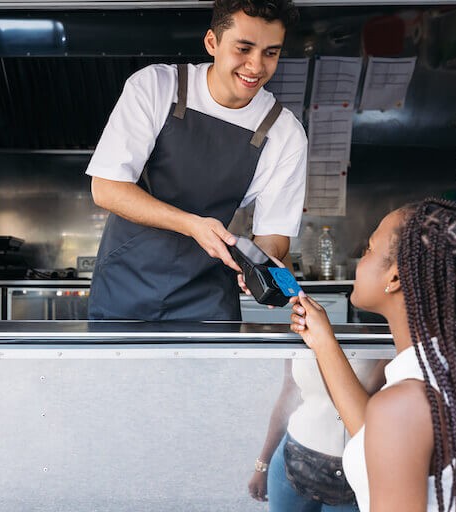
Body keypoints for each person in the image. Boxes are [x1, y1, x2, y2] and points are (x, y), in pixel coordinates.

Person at [289, 198, 456, 511]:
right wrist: (323, 342)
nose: (360, 259)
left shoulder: (404, 404)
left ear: (395, 278)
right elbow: (378, 439)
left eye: (368, 249)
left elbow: (393, 423)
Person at [86, 0, 307, 321]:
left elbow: (273, 235)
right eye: (243, 49)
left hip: (209, 298)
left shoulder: (284, 131)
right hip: (124, 287)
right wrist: (192, 225)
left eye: (270, 53)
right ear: (212, 43)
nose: (256, 66)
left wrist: (267, 268)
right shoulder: (157, 86)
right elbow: (106, 188)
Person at [248, 359, 386, 511]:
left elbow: (355, 405)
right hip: (291, 458)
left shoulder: (384, 341)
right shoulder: (304, 335)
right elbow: (288, 393)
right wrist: (263, 464)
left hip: (352, 474)